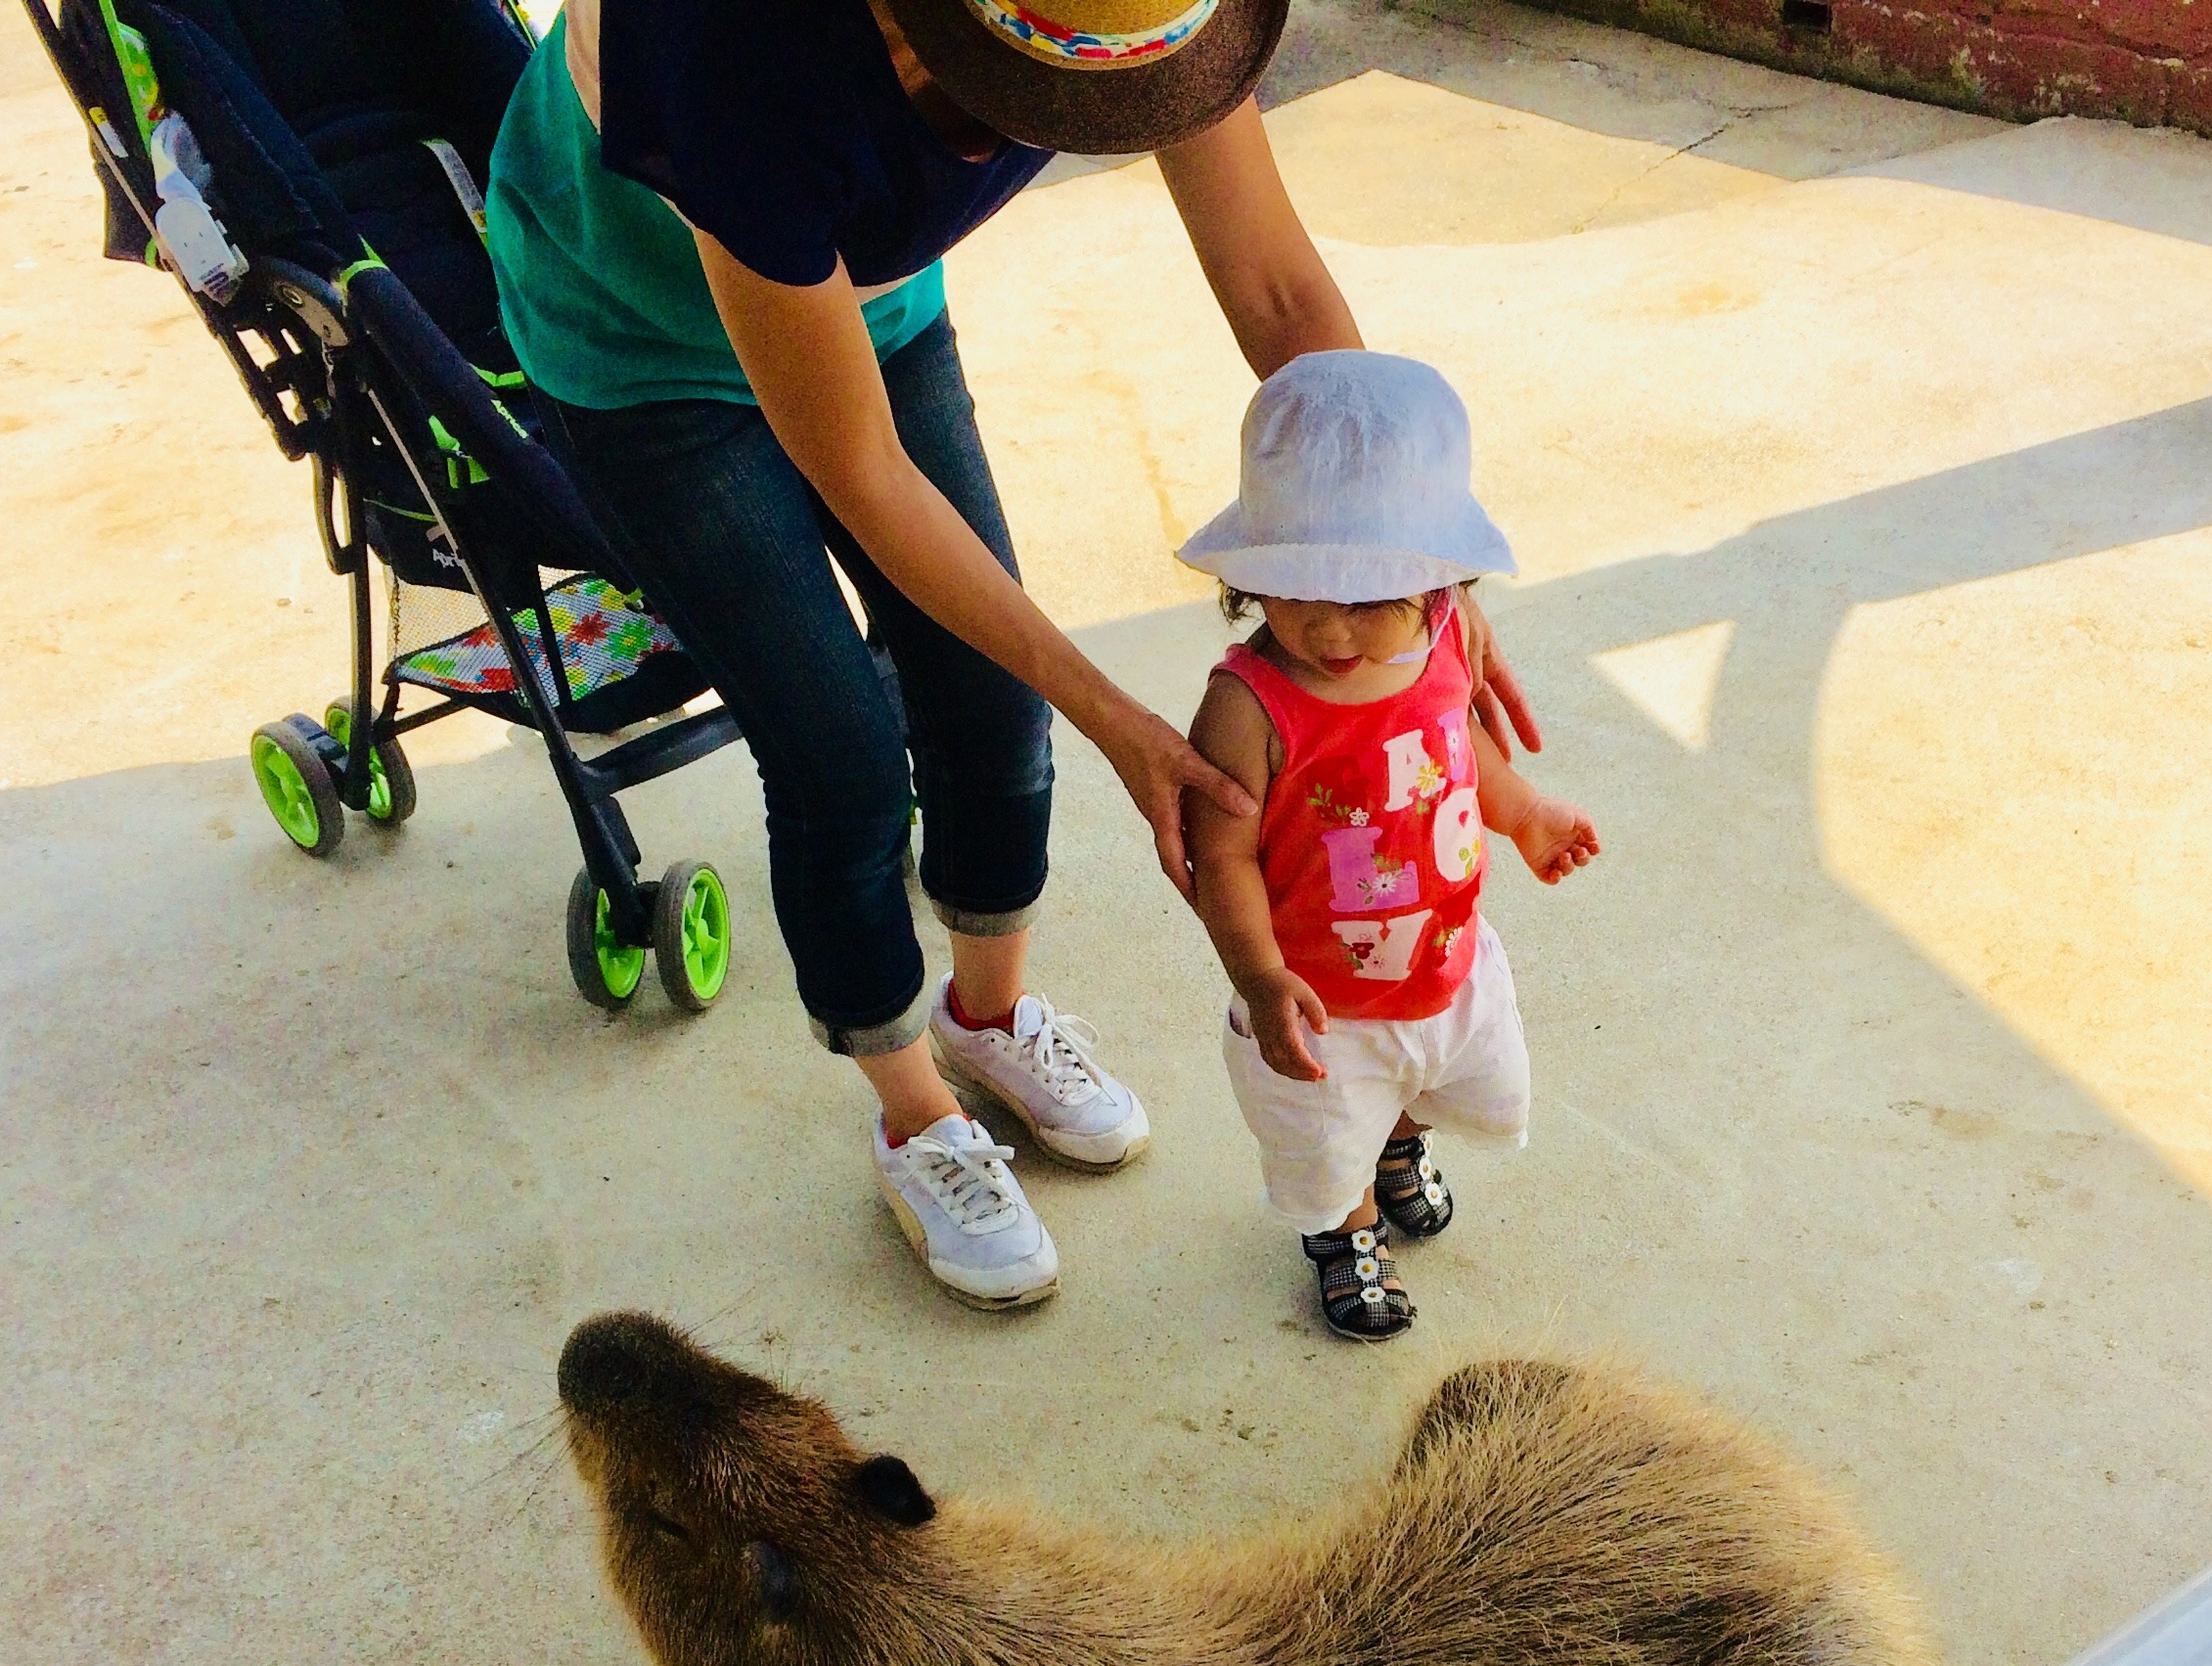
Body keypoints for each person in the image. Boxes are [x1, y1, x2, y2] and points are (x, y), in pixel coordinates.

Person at [482, 0, 1538, 1308]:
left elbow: (1273, 286)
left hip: (861, 288)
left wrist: (1403, 544)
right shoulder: (728, 48)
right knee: (841, 758)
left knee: (988, 700)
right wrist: (1114, 712)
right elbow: (859, 469)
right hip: (636, 340)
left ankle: (987, 1018)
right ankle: (914, 1111)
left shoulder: (1138, 10)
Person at [1180, 352, 1599, 1341]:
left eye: (1370, 598)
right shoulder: (1247, 706)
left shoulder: (1450, 638)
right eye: (1298, 591)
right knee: (1328, 1141)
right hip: (1323, 1007)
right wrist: (1258, 975)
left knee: (1435, 1086)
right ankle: (1347, 1228)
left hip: (1444, 967)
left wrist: (1525, 810)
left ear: (1435, 578)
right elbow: (1224, 857)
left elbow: (1461, 750)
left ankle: (1398, 1146)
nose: (1331, 627)